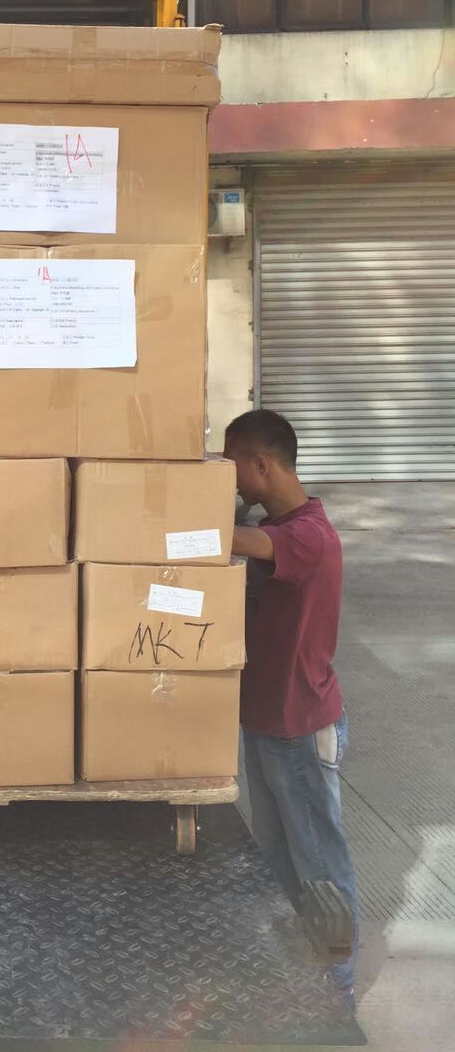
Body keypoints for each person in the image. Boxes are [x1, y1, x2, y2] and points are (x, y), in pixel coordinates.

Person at [223, 409, 359, 1006]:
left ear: (261, 464)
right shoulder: (275, 526)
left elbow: (237, 541)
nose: (228, 478)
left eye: (230, 464)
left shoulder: (307, 535)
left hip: (299, 728)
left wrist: (170, 512)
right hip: (266, 723)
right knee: (277, 858)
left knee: (319, 863)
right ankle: (299, 969)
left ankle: (338, 984)